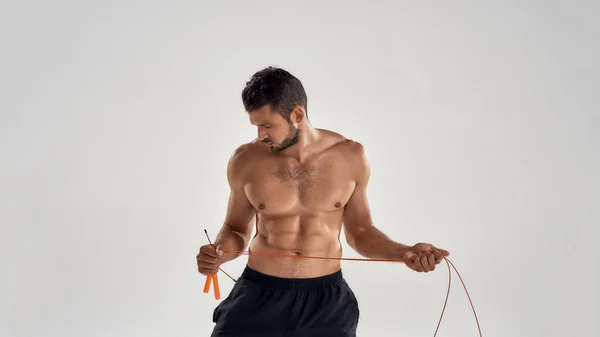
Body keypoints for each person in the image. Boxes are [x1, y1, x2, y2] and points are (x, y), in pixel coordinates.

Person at [197, 66, 450, 337]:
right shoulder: (245, 160)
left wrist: (405, 252)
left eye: (268, 125)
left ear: (297, 114)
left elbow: (361, 233)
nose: (261, 135)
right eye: (256, 126)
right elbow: (235, 229)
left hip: (325, 303)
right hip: (258, 294)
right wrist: (219, 252)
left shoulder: (350, 156)